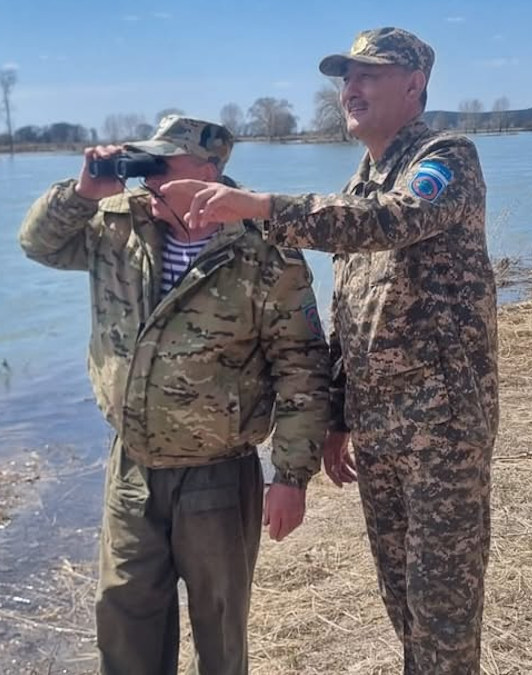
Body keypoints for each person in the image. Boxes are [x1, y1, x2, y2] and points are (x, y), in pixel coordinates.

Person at [160, 27, 499, 675]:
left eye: (370, 74)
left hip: (444, 432)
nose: (351, 87)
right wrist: (337, 416)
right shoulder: (358, 183)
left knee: (445, 611)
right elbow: (347, 315)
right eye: (346, 76)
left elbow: (389, 224)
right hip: (380, 431)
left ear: (414, 86)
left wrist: (258, 206)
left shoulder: (446, 158)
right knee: (402, 598)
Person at [17, 115, 331, 675]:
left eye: (161, 163)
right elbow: (37, 244)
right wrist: (83, 191)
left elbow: (302, 366)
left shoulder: (264, 250)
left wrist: (291, 477)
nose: (147, 177)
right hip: (132, 469)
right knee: (124, 618)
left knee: (220, 629)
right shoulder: (116, 224)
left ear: (209, 171)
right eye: (144, 162)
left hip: (217, 474)